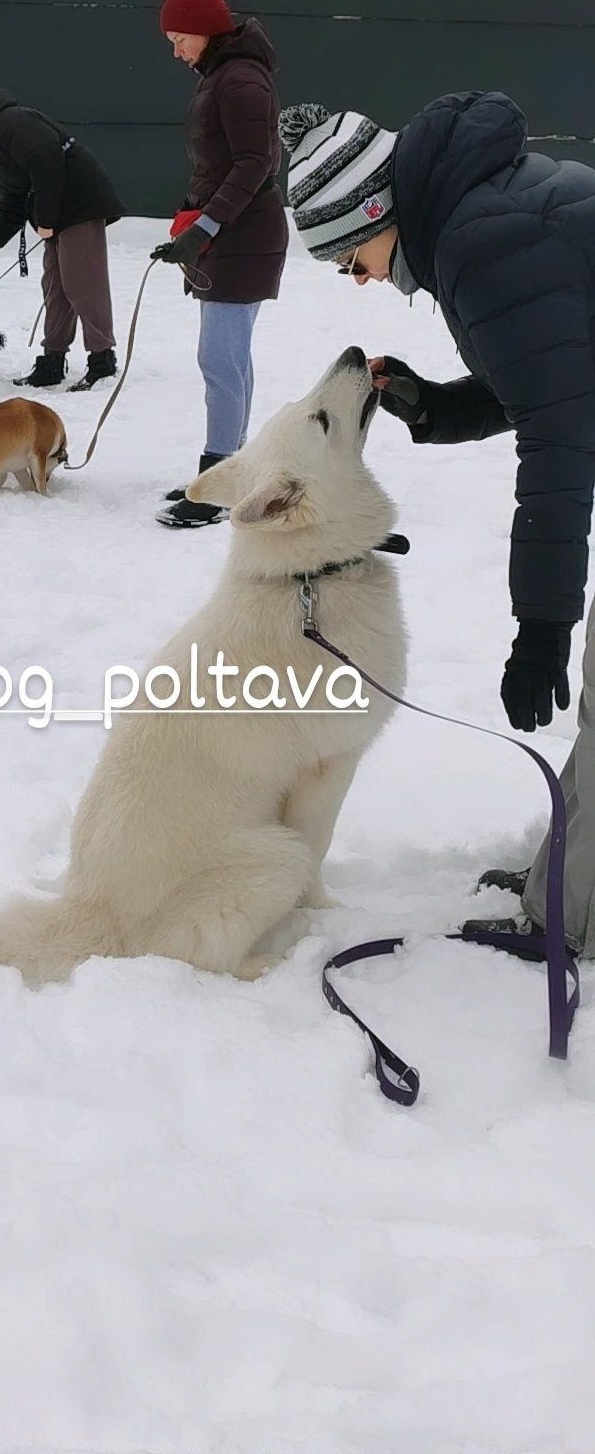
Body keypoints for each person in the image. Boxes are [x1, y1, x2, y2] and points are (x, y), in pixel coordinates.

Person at [281, 89, 595, 958]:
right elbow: (545, 375)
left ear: (373, 210)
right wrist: (435, 408)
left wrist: (540, 628)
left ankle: (573, 914)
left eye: (351, 258)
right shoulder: (480, 208)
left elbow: (562, 444)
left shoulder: (479, 242)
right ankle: (569, 884)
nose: (364, 278)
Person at [150, 0, 288, 530]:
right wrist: (191, 215)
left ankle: (220, 483)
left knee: (220, 359)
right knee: (231, 357)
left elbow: (256, 163)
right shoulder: (223, 74)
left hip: (243, 237)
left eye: (180, 38)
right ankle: (234, 470)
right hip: (231, 234)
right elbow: (218, 163)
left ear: (206, 30)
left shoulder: (240, 80)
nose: (176, 51)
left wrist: (204, 225)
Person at [0, 90, 123, 393]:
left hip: (81, 203)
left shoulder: (12, 124)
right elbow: (14, 197)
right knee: (55, 286)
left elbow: (48, 162)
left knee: (83, 284)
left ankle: (102, 360)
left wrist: (45, 219)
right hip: (59, 213)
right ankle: (52, 361)